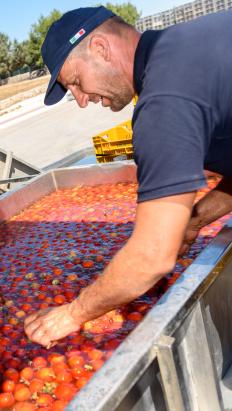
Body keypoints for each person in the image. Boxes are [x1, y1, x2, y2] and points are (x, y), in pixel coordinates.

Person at [23, 6, 232, 346]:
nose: (81, 100)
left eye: (75, 82)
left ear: (101, 49)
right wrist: (192, 220)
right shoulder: (186, 45)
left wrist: (74, 313)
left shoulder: (162, 103)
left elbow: (153, 255)